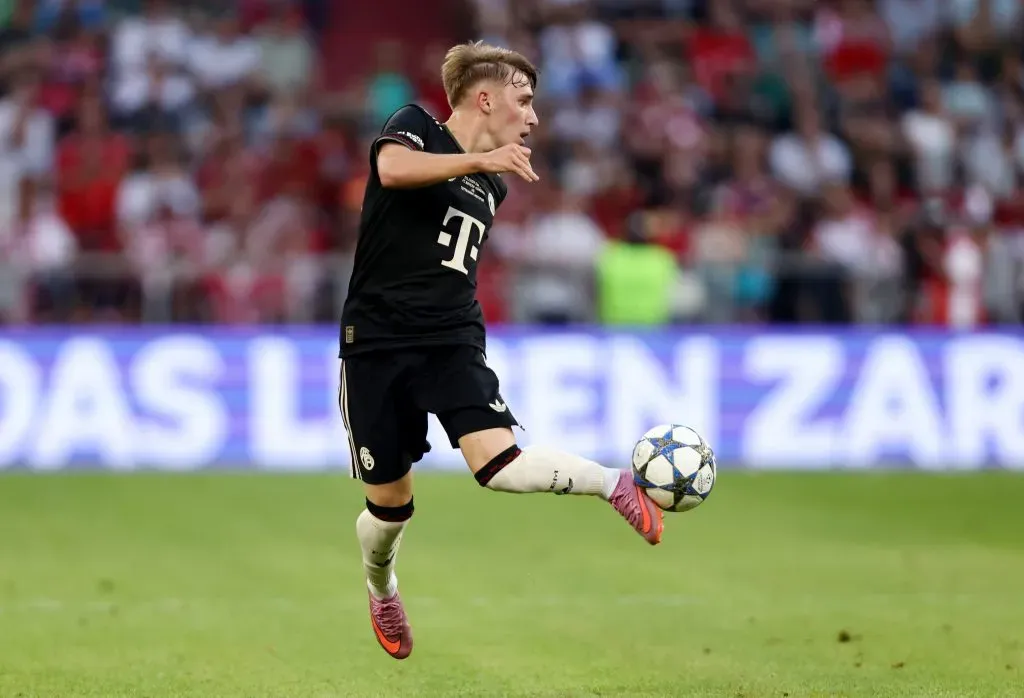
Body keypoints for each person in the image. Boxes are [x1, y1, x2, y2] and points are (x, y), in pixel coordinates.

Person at [338, 41, 665, 661]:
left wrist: (483, 164)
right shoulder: (414, 127)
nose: (533, 116)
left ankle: (611, 483)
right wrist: (476, 161)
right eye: (525, 100)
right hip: (376, 344)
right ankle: (382, 588)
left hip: (450, 340)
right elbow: (391, 174)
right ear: (485, 98)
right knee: (390, 508)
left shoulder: (494, 182)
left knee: (502, 468)